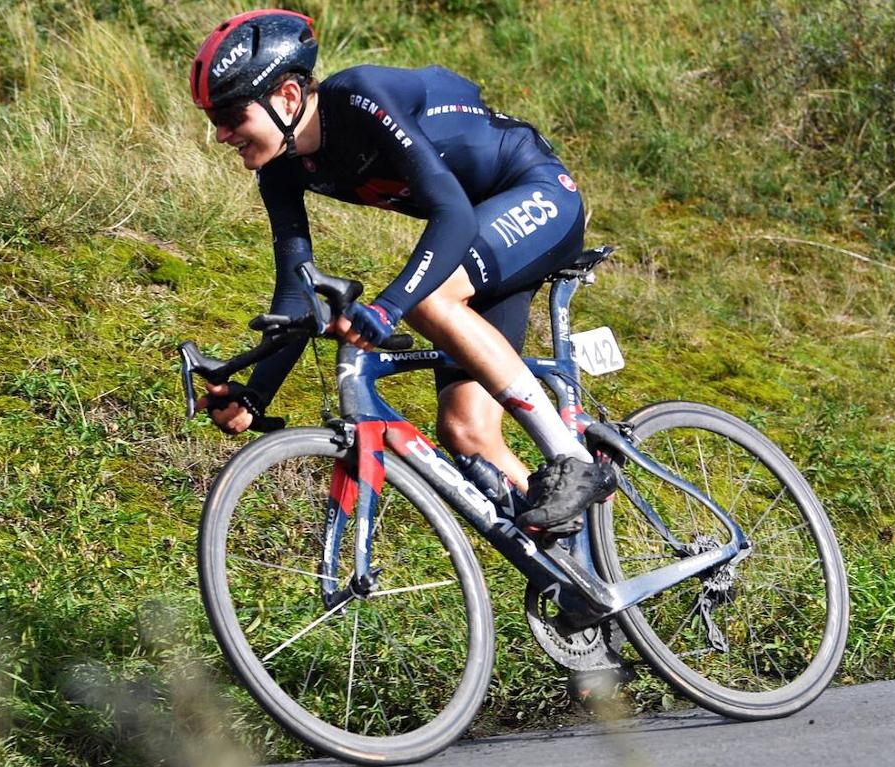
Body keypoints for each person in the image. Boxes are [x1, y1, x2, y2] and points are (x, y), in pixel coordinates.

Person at [190, 9, 616, 537]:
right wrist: (255, 395)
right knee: (465, 432)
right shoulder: (281, 171)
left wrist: (388, 307)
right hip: (477, 238)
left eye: (231, 115)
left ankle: (570, 459)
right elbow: (299, 294)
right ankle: (580, 585)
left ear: (288, 98)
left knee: (427, 301)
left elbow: (453, 214)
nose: (222, 134)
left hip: (535, 194)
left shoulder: (360, 97)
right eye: (214, 120)